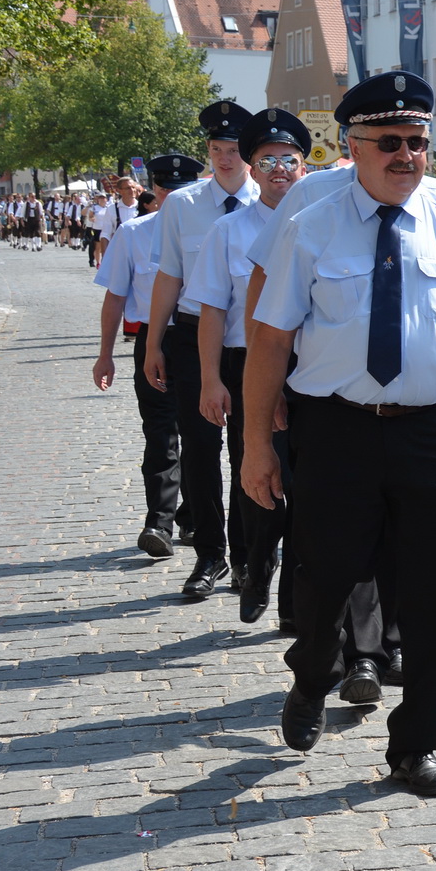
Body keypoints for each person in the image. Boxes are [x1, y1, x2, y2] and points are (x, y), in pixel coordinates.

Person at [245, 71, 436, 796]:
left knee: (434, 597)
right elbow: (270, 339)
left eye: (419, 142)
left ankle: (414, 746)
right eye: (390, 143)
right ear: (353, 147)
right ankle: (312, 676)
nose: (408, 156)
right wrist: (255, 443)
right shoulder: (312, 220)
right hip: (335, 430)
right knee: (325, 582)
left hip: (432, 432)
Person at [186, 109, 310, 628]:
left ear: (304, 166)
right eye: (267, 160)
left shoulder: (324, 223)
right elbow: (213, 309)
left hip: (314, 368)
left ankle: (297, 597)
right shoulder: (229, 232)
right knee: (260, 477)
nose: (279, 168)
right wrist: (211, 378)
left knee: (312, 484)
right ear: (252, 170)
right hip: (250, 365)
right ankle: (256, 564)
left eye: (289, 159)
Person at [144, 101, 259, 599]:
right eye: (216, 150)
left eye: (234, 150)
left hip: (256, 344)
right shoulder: (183, 206)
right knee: (200, 450)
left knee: (248, 451)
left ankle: (251, 551)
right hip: (193, 339)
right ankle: (210, 553)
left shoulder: (275, 203)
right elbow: (168, 275)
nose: (225, 159)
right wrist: (154, 342)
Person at [94, 156, 200, 557]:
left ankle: (194, 518)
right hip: (153, 341)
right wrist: (105, 353)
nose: (173, 197)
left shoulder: (214, 231)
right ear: (154, 191)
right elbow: (115, 295)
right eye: (166, 190)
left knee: (200, 434)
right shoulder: (134, 233)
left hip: (200, 340)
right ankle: (160, 522)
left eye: (182, 190)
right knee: (160, 434)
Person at [97, 176, 142, 261]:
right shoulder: (112, 209)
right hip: (120, 254)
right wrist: (105, 257)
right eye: (128, 188)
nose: (132, 190)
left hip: (140, 253)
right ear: (119, 191)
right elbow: (105, 234)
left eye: (133, 187)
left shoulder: (142, 207)